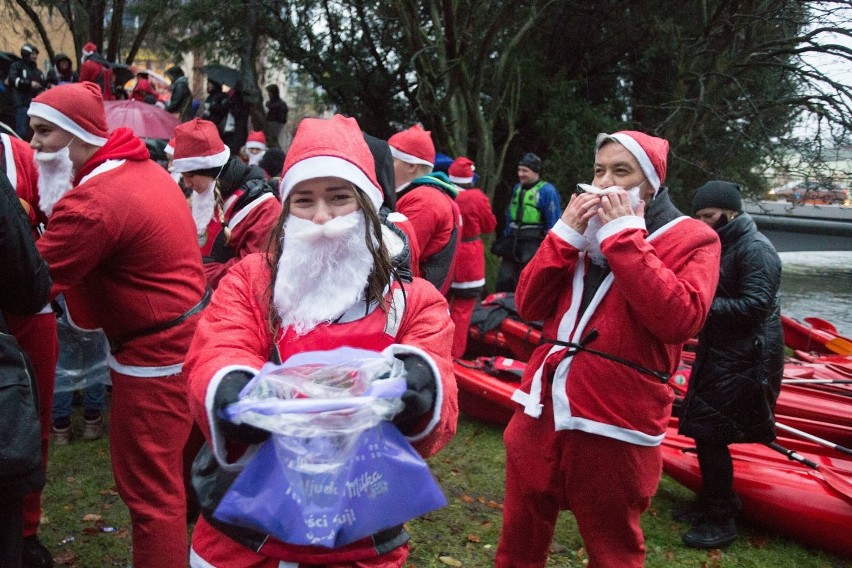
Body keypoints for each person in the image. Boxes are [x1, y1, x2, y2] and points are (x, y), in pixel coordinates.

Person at [184, 113, 458, 567]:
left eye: (339, 198)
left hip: (357, 526)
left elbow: (438, 379)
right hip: (247, 526)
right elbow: (218, 345)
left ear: (368, 205)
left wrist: (419, 384)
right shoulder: (252, 280)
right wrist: (234, 393)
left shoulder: (414, 301)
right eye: (304, 201)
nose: (323, 218)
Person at [495, 131, 721, 568]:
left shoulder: (694, 238)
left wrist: (624, 238)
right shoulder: (583, 234)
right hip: (541, 407)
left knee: (613, 547)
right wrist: (562, 236)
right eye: (599, 170)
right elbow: (529, 304)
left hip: (617, 419)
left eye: (622, 171)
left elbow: (679, 320)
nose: (604, 183)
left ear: (651, 182)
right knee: (519, 537)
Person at [27, 81, 208, 568]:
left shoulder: (94, 202)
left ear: (74, 132)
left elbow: (27, 283)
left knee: (151, 496)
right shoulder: (138, 168)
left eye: (44, 132)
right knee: (170, 484)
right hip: (185, 346)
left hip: (154, 361)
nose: (34, 144)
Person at [677, 180, 784, 549]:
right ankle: (711, 503)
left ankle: (721, 518)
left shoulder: (755, 249)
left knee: (712, 435)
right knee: (705, 430)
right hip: (724, 352)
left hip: (745, 359)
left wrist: (697, 310)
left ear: (731, 212)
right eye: (698, 216)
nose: (702, 223)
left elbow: (755, 306)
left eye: (708, 216)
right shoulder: (725, 243)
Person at [0, 131, 57, 568]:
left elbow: (42, 216)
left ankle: (26, 530)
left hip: (23, 311)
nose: (37, 138)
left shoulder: (17, 151)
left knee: (25, 422)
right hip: (18, 305)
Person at [171, 118, 282, 289]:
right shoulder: (206, 193)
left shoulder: (262, 207)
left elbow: (257, 270)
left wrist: (200, 272)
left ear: (211, 171)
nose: (187, 184)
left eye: (190, 176)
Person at [388, 123, 461, 295]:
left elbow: (396, 257)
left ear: (411, 166)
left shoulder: (425, 200)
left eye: (391, 160)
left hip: (407, 298)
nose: (385, 166)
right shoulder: (427, 195)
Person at [447, 156, 496, 357]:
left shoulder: (441, 193)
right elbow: (489, 225)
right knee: (462, 311)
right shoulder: (477, 198)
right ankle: (454, 360)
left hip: (444, 257)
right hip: (469, 261)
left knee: (438, 307)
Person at [493, 153, 561, 293]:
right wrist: (505, 243)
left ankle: (522, 312)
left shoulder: (546, 191)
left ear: (535, 171)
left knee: (524, 280)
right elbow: (509, 218)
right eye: (519, 170)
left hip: (532, 241)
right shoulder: (517, 188)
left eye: (525, 171)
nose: (520, 174)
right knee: (504, 279)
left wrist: (550, 249)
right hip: (513, 240)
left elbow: (553, 223)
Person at [7, 43, 45, 138]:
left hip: (34, 105)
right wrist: (29, 83)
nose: (35, 56)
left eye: (36, 54)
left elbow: (42, 83)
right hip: (21, 103)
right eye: (33, 54)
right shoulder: (17, 66)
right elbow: (12, 79)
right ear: (26, 53)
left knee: (33, 132)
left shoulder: (37, 71)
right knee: (21, 132)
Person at [220, 81, 250, 155]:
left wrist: (230, 105)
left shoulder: (238, 98)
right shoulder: (235, 98)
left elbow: (237, 113)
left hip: (236, 128)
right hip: (235, 129)